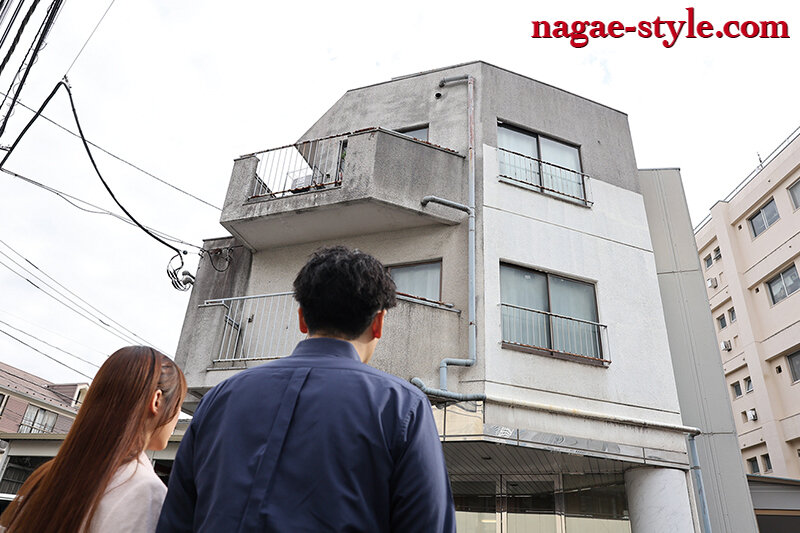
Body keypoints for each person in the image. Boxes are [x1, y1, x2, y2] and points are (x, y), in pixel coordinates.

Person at [157, 246, 456, 532]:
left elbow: (176, 520)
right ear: (378, 323)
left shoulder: (219, 398)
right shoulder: (402, 406)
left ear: (302, 318)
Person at [0, 346, 187, 533]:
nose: (177, 415)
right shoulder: (147, 492)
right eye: (178, 404)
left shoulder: (47, 475)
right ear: (156, 400)